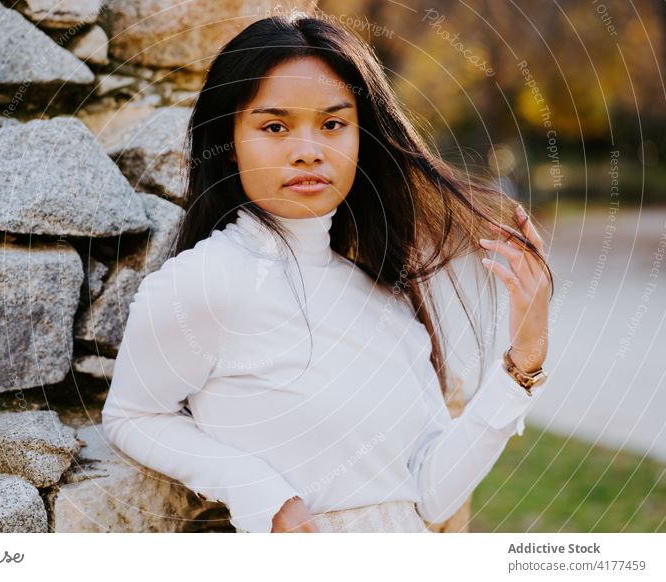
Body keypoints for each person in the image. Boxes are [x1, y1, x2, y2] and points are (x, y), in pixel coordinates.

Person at [101, 12, 553, 533]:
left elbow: (429, 496)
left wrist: (524, 361)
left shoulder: (384, 296)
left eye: (333, 124)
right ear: (229, 144)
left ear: (362, 138)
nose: (309, 152)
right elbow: (131, 417)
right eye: (275, 126)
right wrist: (257, 491)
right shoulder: (204, 282)